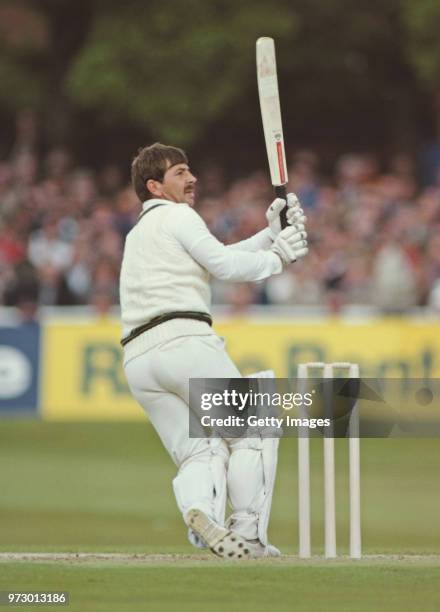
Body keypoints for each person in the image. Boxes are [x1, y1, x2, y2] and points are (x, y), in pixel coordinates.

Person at [119, 143, 308, 559]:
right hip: (185, 342)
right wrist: (277, 259)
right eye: (180, 172)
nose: (192, 179)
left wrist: (270, 235)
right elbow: (223, 267)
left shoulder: (141, 233)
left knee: (198, 449)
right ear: (155, 185)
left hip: (139, 360)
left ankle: (201, 512)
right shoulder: (178, 216)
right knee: (254, 432)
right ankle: (247, 533)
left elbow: (214, 259)